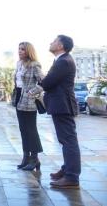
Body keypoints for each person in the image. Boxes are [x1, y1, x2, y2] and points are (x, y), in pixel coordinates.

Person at [41, 35, 80, 189]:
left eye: (54, 41)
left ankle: (72, 177)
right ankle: (67, 170)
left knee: (68, 141)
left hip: (63, 105)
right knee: (66, 140)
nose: (51, 42)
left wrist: (42, 79)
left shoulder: (64, 61)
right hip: (60, 105)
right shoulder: (61, 60)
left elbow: (48, 82)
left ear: (61, 46)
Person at [13, 42, 44, 171]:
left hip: (29, 99)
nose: (20, 51)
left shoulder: (34, 65)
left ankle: (35, 159)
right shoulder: (18, 64)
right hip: (18, 97)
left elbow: (43, 82)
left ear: (29, 51)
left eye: (23, 49)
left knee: (31, 129)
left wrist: (32, 92)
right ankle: (26, 157)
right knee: (23, 129)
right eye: (19, 49)